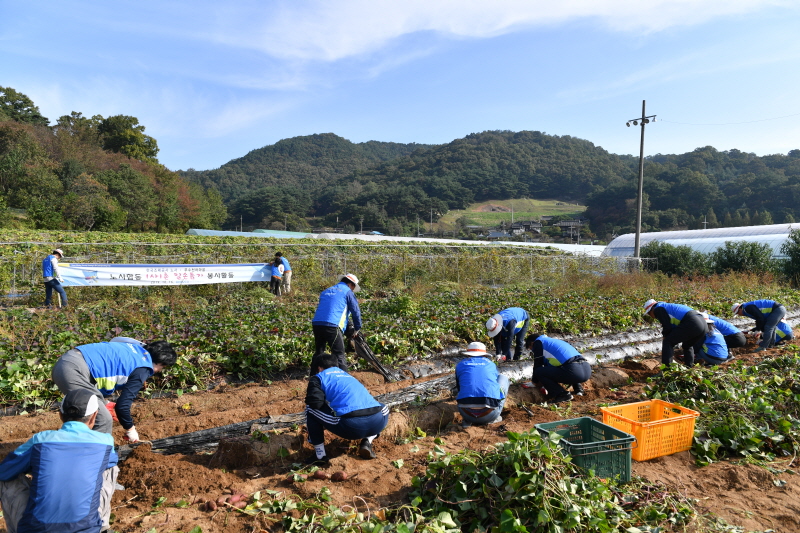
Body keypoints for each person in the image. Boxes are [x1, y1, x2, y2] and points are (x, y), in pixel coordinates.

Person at [0, 389, 119, 533]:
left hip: (35, 529)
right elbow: (107, 463)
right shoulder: (105, 442)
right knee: (110, 468)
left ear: (60, 415)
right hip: (85, 529)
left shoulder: (40, 440)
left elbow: (4, 471)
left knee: (6, 477)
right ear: (94, 416)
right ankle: (102, 525)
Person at [51, 337, 177, 440]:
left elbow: (115, 340)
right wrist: (131, 431)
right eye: (162, 368)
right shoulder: (143, 368)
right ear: (161, 363)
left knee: (97, 407)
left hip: (70, 360)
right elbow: (122, 406)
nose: (159, 371)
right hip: (73, 370)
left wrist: (104, 402)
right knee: (103, 419)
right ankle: (98, 464)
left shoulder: (134, 347)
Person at [304, 352, 389, 463]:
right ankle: (367, 441)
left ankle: (320, 456)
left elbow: (315, 403)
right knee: (384, 407)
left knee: (310, 410)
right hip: (377, 423)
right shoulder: (347, 375)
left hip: (351, 426)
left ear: (319, 368)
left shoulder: (318, 378)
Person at [311, 274, 362, 371]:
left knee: (319, 352)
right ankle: (344, 380)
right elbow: (355, 311)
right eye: (353, 287)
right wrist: (357, 328)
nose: (352, 289)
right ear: (350, 284)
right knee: (339, 354)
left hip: (317, 323)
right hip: (332, 325)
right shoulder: (347, 292)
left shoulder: (327, 291)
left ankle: (313, 377)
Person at [454, 341, 509, 428]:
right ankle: (496, 416)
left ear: (468, 354)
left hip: (466, 413)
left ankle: (468, 421)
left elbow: (459, 387)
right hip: (489, 415)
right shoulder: (491, 364)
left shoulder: (460, 365)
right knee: (503, 378)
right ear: (484, 355)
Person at [526, 334, 591, 403]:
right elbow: (551, 368)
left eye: (531, 348)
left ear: (532, 343)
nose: (533, 351)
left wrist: (534, 382)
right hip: (586, 369)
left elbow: (537, 364)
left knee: (539, 371)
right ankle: (578, 389)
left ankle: (562, 395)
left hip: (574, 371)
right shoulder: (551, 342)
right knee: (566, 365)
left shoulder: (538, 342)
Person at [643, 299, 706, 366]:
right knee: (687, 345)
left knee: (667, 342)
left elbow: (667, 327)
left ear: (652, 308)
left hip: (692, 322)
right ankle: (689, 367)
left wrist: (665, 336)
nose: (650, 315)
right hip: (703, 324)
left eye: (649, 313)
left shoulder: (658, 309)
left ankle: (666, 369)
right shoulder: (666, 306)